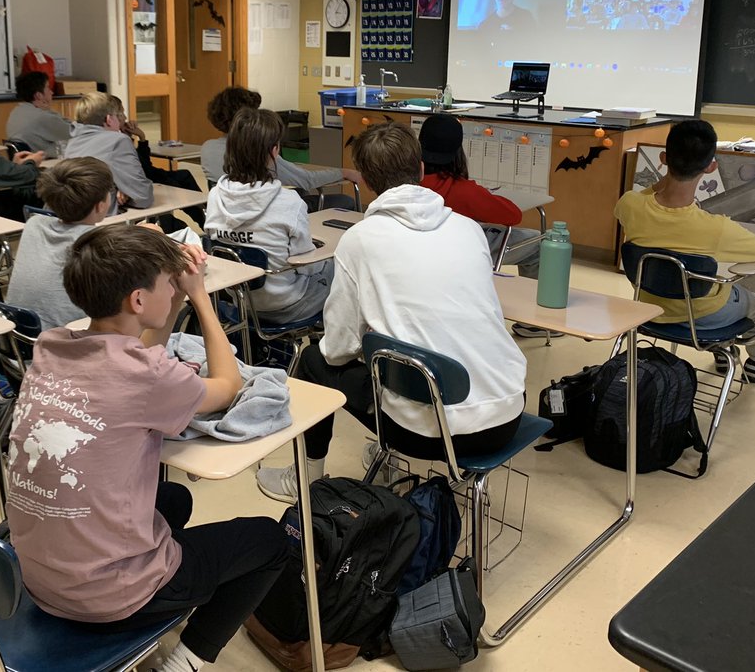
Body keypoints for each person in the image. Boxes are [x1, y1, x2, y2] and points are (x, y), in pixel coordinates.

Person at [6, 225, 287, 672]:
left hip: (35, 577)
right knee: (270, 541)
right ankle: (187, 661)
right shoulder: (148, 379)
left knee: (174, 498)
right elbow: (229, 385)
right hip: (105, 597)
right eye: (164, 285)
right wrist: (199, 297)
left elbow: (135, 354)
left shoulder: (52, 345)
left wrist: (171, 297)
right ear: (137, 300)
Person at [255, 122, 526, 502]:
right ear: (419, 170)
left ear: (365, 182)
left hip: (430, 434)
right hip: (507, 414)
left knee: (314, 360)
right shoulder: (468, 229)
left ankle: (304, 481)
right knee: (405, 353)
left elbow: (337, 349)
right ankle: (386, 461)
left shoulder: (360, 241)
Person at [614, 119, 755, 382]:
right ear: (711, 166)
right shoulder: (716, 229)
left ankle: (721, 351)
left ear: (663, 158)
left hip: (649, 308)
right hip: (703, 318)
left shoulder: (630, 205)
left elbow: (643, 199)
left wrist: (665, 182)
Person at [417, 114, 553, 339]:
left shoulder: (407, 181)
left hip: (424, 252)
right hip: (464, 250)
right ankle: (533, 323)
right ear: (458, 151)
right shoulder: (465, 191)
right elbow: (512, 215)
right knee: (540, 243)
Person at [205, 107, 333, 324]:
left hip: (240, 301)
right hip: (286, 306)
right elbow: (307, 264)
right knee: (338, 267)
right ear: (274, 151)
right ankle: (333, 349)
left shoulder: (215, 195)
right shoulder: (289, 202)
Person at [200, 86, 357, 208]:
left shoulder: (207, 149)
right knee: (345, 201)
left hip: (231, 210)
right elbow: (307, 180)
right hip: (264, 210)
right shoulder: (259, 151)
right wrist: (344, 172)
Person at [6, 157, 115, 330]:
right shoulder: (97, 242)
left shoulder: (34, 224)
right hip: (69, 339)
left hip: (20, 335)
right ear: (100, 206)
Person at [64, 92, 153, 210]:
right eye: (118, 115)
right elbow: (143, 197)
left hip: (72, 212)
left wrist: (119, 188)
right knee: (170, 221)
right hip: (101, 218)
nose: (124, 118)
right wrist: (126, 192)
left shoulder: (72, 141)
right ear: (109, 119)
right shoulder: (118, 141)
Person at [6, 71, 72, 159]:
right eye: (48, 88)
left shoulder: (17, 111)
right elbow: (73, 131)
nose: (51, 92)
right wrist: (49, 110)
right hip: (45, 163)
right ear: (38, 95)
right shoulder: (42, 117)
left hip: (26, 162)